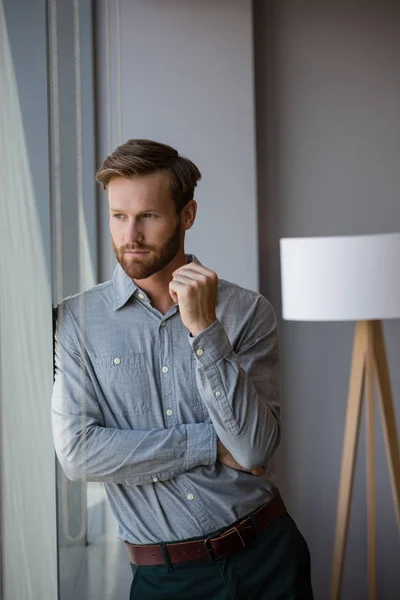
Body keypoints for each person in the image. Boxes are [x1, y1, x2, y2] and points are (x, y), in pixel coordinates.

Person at [52, 139, 314, 599]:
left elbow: (252, 450)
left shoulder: (248, 311)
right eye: (118, 216)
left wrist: (204, 329)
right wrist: (210, 444)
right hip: (163, 578)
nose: (130, 234)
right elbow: (78, 453)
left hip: (268, 557)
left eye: (148, 216)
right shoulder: (76, 322)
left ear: (186, 216)